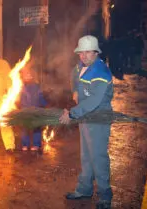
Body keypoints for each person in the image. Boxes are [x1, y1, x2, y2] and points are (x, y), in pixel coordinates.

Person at [59, 35, 113, 209]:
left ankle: (105, 195)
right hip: (85, 118)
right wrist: (75, 90)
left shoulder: (101, 72)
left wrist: (72, 113)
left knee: (98, 157)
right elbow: (73, 75)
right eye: (81, 53)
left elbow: (94, 101)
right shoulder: (81, 66)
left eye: (87, 52)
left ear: (96, 52)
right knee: (86, 157)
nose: (83, 56)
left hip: (98, 119)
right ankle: (84, 189)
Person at [19, 67, 47, 151]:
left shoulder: (36, 86)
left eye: (29, 75)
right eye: (26, 75)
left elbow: (40, 97)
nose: (27, 76)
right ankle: (25, 144)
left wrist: (44, 104)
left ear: (32, 76)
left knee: (36, 128)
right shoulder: (21, 87)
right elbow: (21, 99)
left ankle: (36, 144)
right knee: (24, 128)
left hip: (35, 109)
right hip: (25, 110)